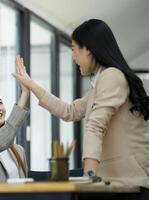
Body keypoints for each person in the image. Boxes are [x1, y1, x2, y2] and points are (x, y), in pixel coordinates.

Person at [13, 19, 149, 187]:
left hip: (126, 181)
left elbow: (95, 126)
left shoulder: (111, 76)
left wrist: (88, 175)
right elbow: (69, 111)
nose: (73, 57)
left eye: (73, 49)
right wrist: (30, 84)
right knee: (39, 179)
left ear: (88, 50)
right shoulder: (102, 81)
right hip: (115, 178)